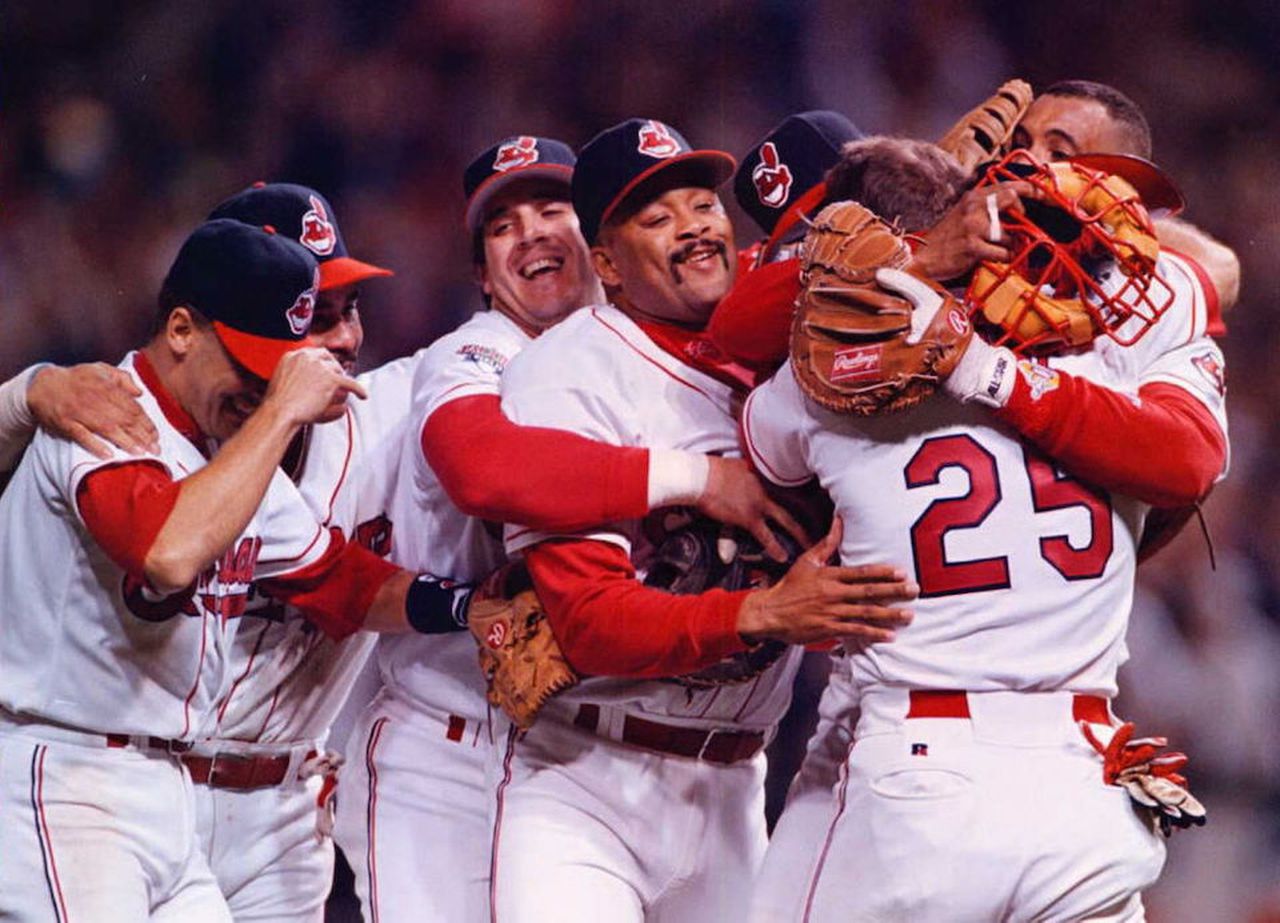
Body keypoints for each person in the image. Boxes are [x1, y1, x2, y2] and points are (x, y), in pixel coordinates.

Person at [742, 151, 1228, 920]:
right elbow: (1190, 442)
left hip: (925, 778)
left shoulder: (828, 374)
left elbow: (757, 435)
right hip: (1086, 787)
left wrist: (875, 294)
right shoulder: (1126, 364)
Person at [335, 132, 808, 923]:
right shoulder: (477, 354)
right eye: (502, 224)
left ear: (597, 247)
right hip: (451, 745)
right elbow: (483, 468)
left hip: (625, 744)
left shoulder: (673, 345)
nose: (533, 232)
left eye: (550, 207)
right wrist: (697, 478)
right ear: (483, 276)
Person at [490, 117, 918, 922]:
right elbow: (585, 621)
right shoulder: (567, 373)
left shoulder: (791, 339)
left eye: (703, 205)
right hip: (588, 781)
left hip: (736, 786)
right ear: (607, 264)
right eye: (656, 219)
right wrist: (762, 610)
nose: (693, 228)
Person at [0, 218, 436, 922]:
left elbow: (336, 576)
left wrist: (473, 607)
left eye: (275, 374)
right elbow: (168, 552)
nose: (262, 391)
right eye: (248, 366)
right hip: (62, 776)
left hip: (159, 785)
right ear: (180, 329)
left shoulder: (226, 449)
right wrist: (283, 414)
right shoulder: (104, 409)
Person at [168, 183, 407, 923]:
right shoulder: (144, 435)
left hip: (287, 814)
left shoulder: (390, 419)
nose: (340, 341)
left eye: (348, 312)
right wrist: (37, 392)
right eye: (313, 316)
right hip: (150, 794)